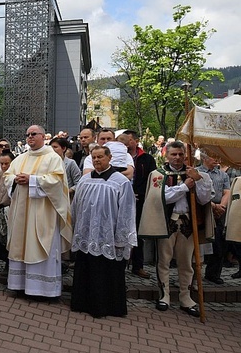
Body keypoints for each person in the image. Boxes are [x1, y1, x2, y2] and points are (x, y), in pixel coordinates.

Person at [140, 140, 213, 317]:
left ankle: (186, 297)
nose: (178, 157)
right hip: (166, 223)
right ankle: (164, 295)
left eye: (181, 154)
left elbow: (204, 199)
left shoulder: (197, 174)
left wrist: (198, 181)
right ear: (167, 155)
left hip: (188, 224)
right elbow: (163, 197)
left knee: (186, 263)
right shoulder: (158, 174)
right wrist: (184, 187)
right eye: (174, 154)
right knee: (164, 260)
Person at [4, 125, 72, 299]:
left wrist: (32, 180)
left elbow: (57, 182)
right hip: (21, 213)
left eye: (33, 134)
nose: (30, 137)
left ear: (43, 136)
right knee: (21, 243)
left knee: (41, 244)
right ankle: (20, 285)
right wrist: (15, 180)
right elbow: (7, 176)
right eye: (27, 135)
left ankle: (43, 290)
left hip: (43, 214)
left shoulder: (52, 158)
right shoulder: (20, 158)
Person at [70, 146, 137, 318]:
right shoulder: (84, 181)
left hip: (108, 236)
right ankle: (82, 303)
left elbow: (127, 211)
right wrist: (75, 229)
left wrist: (121, 238)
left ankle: (106, 307)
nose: (97, 160)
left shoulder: (120, 181)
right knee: (86, 269)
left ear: (109, 158)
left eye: (101, 156)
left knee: (106, 273)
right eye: (94, 157)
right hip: (86, 235)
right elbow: (76, 207)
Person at [121, 130, 157, 279]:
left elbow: (152, 178)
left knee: (138, 232)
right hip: (122, 198)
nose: (126, 143)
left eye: (129, 140)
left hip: (140, 199)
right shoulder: (118, 158)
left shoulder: (146, 159)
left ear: (135, 141)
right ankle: (121, 263)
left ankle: (138, 265)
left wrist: (140, 194)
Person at [198, 152, 230, 285]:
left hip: (219, 212)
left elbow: (227, 191)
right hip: (202, 208)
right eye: (213, 156)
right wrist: (212, 206)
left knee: (218, 244)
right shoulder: (197, 172)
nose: (217, 159)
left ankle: (213, 273)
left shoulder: (223, 174)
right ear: (204, 158)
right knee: (199, 242)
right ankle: (195, 274)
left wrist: (221, 206)